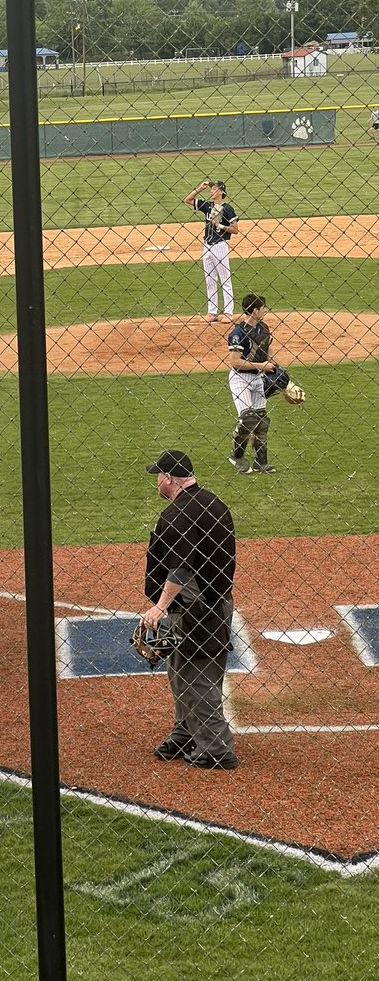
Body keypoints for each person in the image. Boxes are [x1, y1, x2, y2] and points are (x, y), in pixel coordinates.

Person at [140, 450, 238, 770]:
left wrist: (158, 608)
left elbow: (180, 569)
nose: (156, 480)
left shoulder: (178, 515)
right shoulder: (214, 502)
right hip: (208, 604)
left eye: (158, 475)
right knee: (179, 671)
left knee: (199, 677)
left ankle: (216, 748)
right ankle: (186, 732)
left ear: (169, 478)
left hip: (198, 610)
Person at [226, 293, 304, 474]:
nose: (265, 311)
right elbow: (235, 362)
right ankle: (236, 456)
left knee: (261, 419)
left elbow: (269, 355)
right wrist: (262, 366)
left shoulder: (264, 329)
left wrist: (283, 381)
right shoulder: (237, 334)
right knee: (248, 418)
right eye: (263, 308)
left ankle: (261, 463)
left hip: (257, 378)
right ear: (255, 311)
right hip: (240, 378)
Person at [183, 179, 238, 321]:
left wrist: (220, 226)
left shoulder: (228, 209)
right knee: (210, 280)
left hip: (220, 245)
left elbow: (235, 229)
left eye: (214, 189)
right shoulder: (208, 206)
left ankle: (228, 312)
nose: (212, 191)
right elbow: (187, 200)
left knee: (225, 279)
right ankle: (212, 312)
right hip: (206, 245)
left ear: (221, 191)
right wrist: (200, 187)